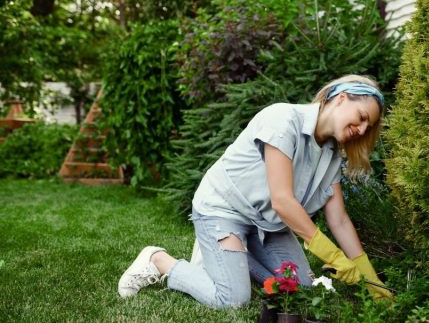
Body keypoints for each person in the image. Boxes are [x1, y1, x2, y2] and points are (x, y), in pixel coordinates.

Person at [117, 74, 394, 307]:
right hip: (223, 209)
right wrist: (333, 257)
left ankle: (233, 256)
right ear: (341, 98)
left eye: (367, 126)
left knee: (303, 290)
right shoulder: (283, 120)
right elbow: (283, 202)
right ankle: (158, 259)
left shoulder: (333, 155)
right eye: (361, 117)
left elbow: (339, 220)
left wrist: (370, 279)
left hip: (268, 224)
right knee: (232, 300)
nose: (362, 128)